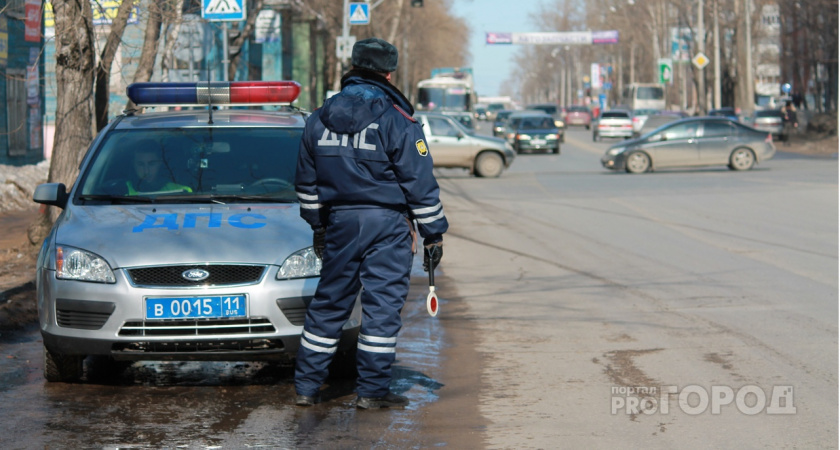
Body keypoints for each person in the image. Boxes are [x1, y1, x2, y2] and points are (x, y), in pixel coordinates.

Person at [293, 37, 448, 409]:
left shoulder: (317, 118)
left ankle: (306, 388)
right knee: (381, 309)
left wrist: (318, 226)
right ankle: (371, 392)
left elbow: (306, 182)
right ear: (388, 73)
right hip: (387, 227)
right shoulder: (398, 120)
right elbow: (419, 182)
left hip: (340, 223)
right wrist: (433, 234)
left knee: (329, 305)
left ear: (353, 66)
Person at [126, 141, 191, 194]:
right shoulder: (121, 190)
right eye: (141, 164)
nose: (146, 171)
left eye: (151, 164)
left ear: (160, 163)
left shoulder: (182, 192)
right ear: (133, 164)